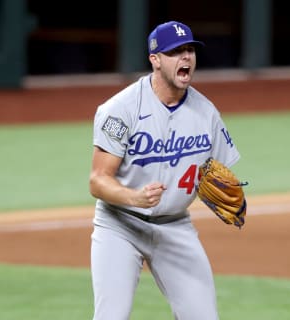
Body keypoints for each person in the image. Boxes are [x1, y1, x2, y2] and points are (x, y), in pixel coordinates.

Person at [89, 21, 241, 320]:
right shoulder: (120, 109)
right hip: (120, 225)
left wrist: (226, 192)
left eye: (190, 50)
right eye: (175, 52)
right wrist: (134, 198)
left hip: (175, 227)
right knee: (111, 316)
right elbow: (98, 181)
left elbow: (218, 174)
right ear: (155, 60)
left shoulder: (206, 112)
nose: (186, 57)